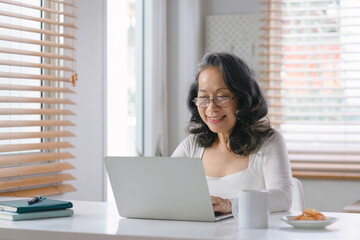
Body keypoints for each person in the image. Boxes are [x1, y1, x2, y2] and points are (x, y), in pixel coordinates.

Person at [171, 52, 293, 214]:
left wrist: (231, 205)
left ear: (243, 99)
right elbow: (163, 191)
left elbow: (283, 197)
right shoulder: (191, 145)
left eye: (222, 96)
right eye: (203, 97)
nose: (211, 108)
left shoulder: (268, 140)